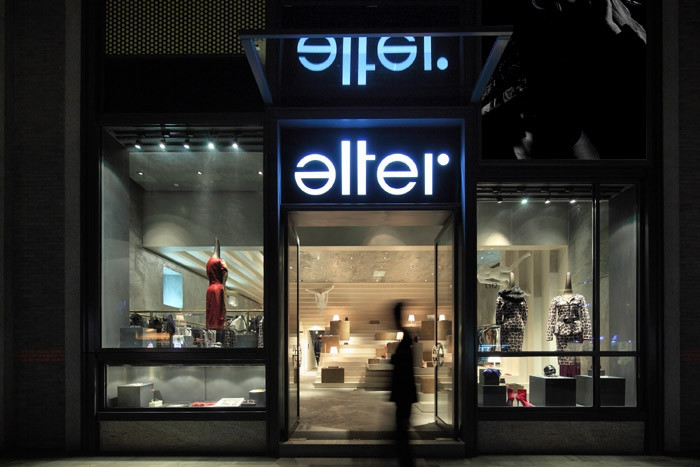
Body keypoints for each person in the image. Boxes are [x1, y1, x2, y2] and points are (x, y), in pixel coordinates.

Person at [390, 301, 417, 467]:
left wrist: (394, 359)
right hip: (404, 392)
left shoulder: (406, 340)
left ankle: (406, 461)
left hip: (403, 392)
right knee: (402, 427)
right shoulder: (406, 341)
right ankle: (405, 460)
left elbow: (402, 367)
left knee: (402, 427)